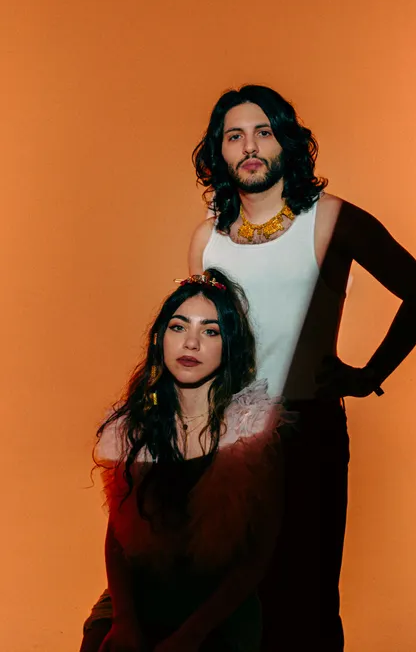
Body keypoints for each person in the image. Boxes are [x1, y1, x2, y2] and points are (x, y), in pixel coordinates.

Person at [187, 84, 416, 650]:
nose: (249, 146)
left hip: (308, 433)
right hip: (222, 435)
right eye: (234, 136)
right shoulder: (207, 240)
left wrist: (369, 375)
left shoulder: (330, 219)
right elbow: (197, 345)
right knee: (227, 603)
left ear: (286, 141)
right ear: (218, 152)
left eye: (263, 131)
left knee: (307, 604)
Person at [80, 269, 286, 652]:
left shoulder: (256, 432)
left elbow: (256, 558)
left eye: (210, 331)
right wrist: (124, 620)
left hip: (217, 609)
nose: (191, 342)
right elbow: (118, 537)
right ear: (160, 338)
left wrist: (191, 635)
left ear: (230, 345)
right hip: (141, 597)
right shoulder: (133, 424)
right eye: (178, 327)